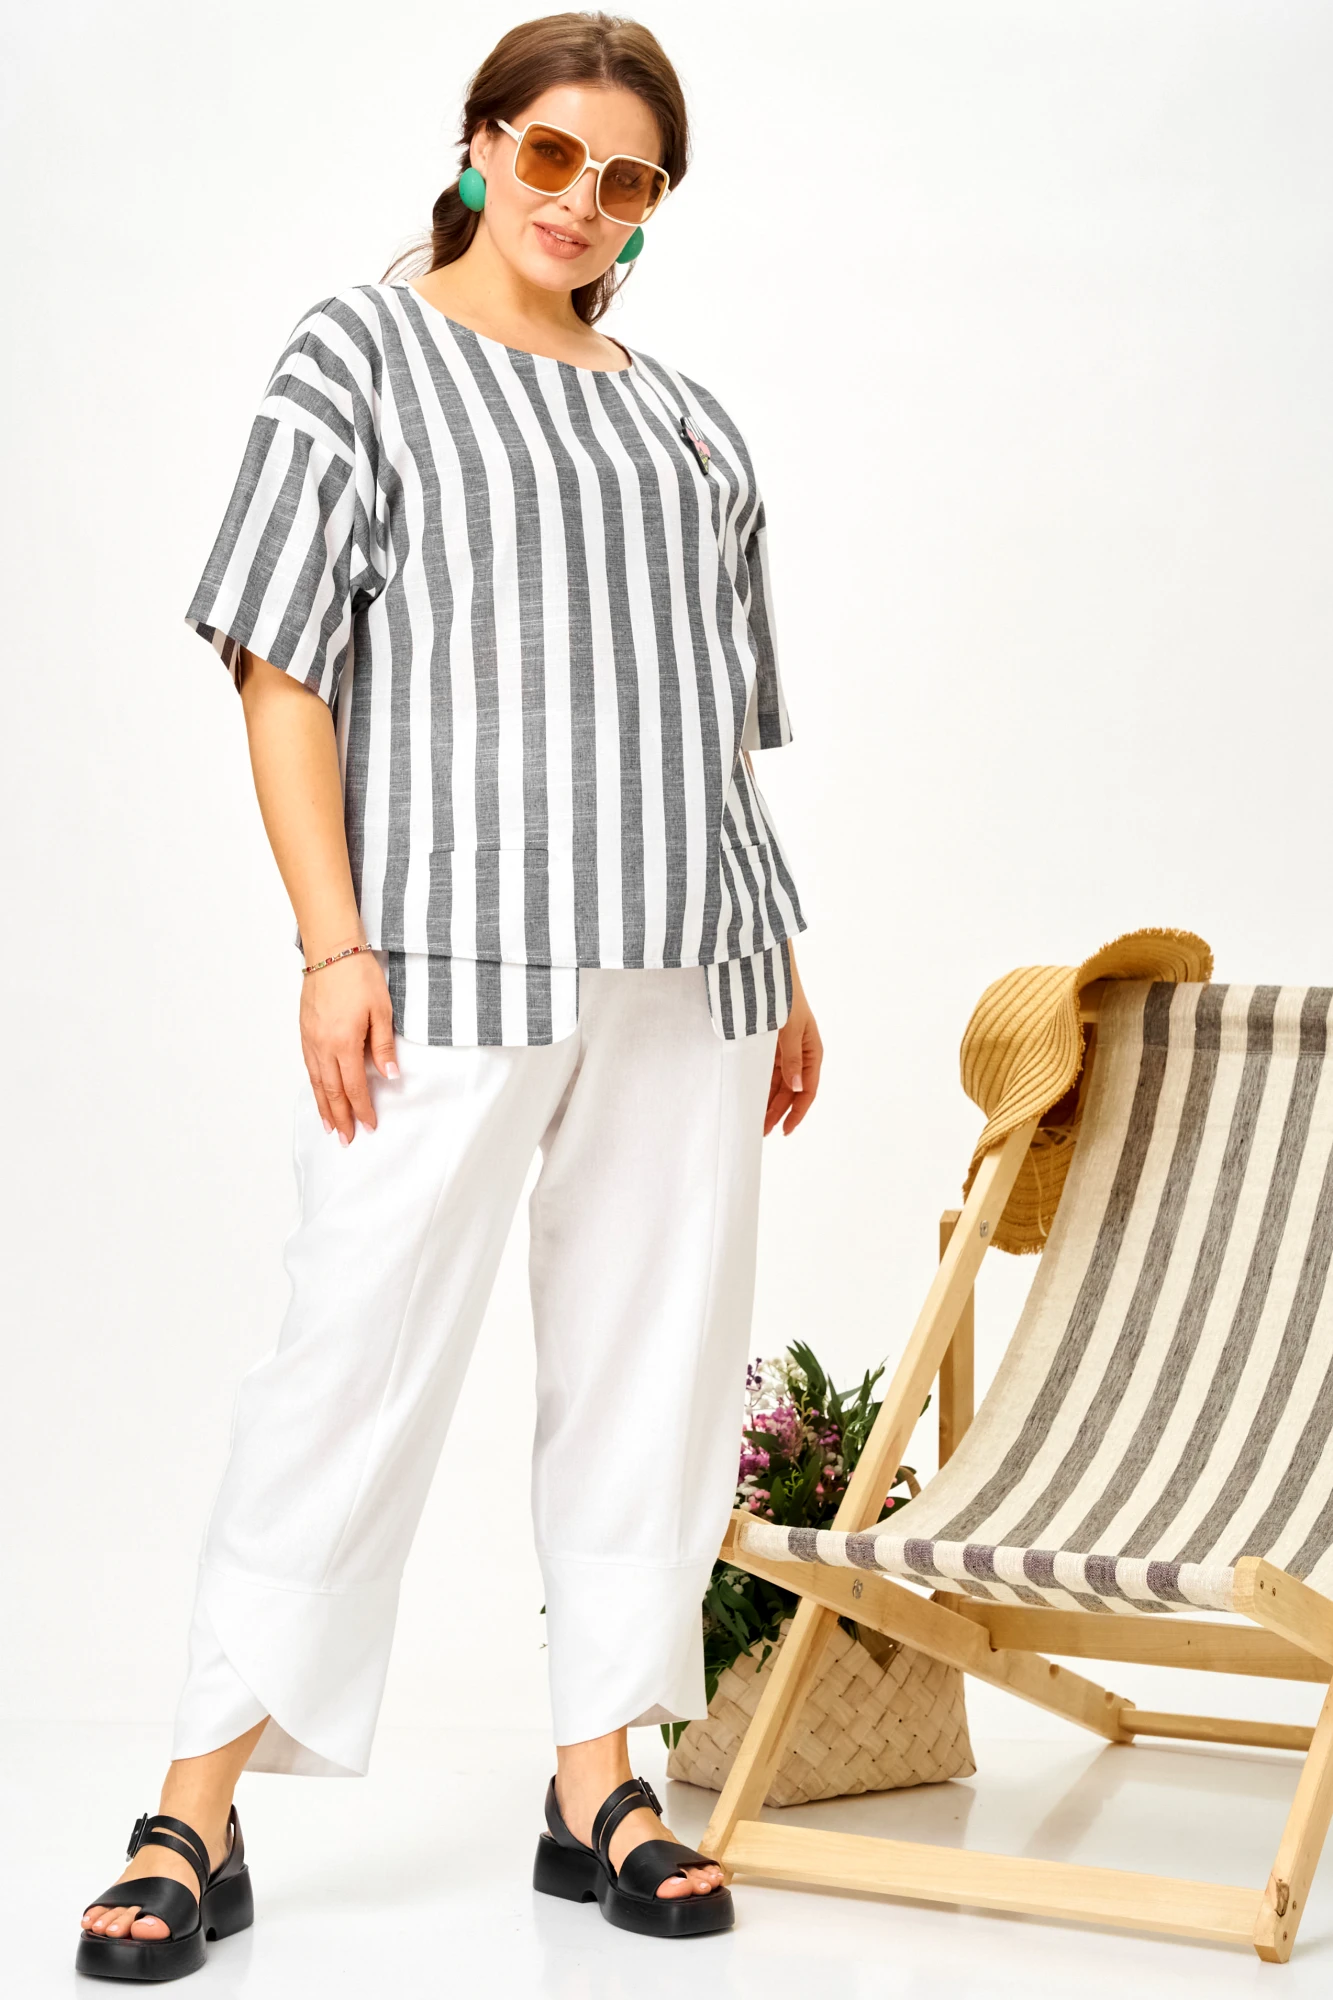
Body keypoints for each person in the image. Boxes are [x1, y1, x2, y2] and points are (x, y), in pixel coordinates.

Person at [77, 9, 820, 1978]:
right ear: (485, 144)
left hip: (697, 959)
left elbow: (713, 729)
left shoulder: (690, 423)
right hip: (445, 957)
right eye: (553, 152)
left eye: (627, 177)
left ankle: (602, 1780)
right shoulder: (361, 353)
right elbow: (282, 667)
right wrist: (330, 942)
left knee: (651, 1371)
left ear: (652, 206)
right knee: (349, 1357)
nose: (583, 198)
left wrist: (786, 961)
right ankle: (195, 1805)